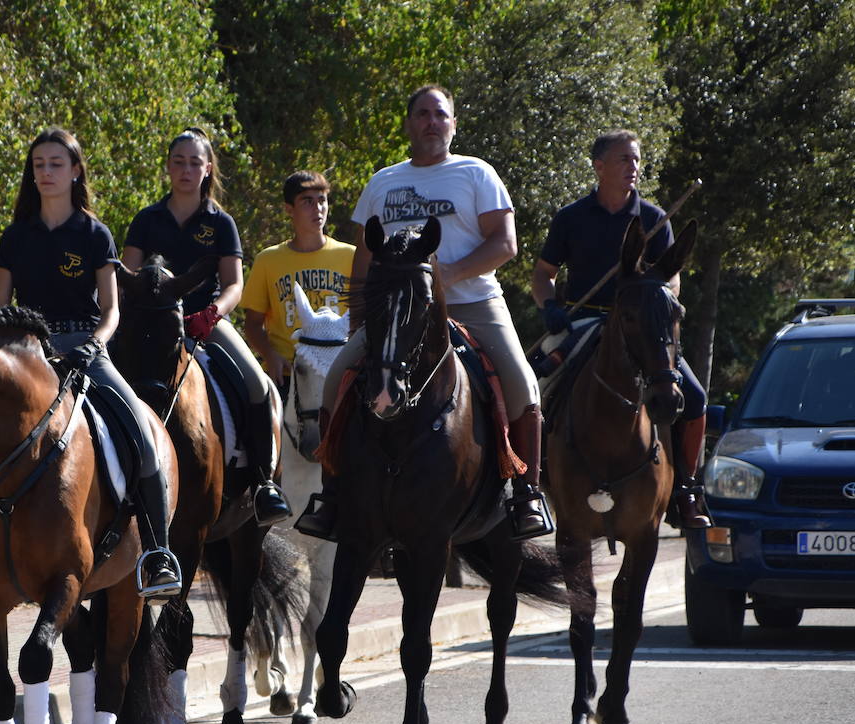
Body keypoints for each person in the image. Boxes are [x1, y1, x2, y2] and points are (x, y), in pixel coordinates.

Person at [295, 85, 553, 540]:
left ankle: (527, 495)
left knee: (523, 383)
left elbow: (505, 243)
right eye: (423, 114)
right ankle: (331, 495)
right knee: (337, 378)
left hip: (473, 303)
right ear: (410, 123)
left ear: (453, 124)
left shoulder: (477, 173)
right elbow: (364, 257)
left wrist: (445, 277)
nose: (432, 122)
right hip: (396, 312)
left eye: (441, 114)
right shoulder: (383, 182)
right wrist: (359, 322)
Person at [0, 127, 182, 597]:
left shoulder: (95, 233)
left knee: (140, 429)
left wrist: (95, 342)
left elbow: (113, 309)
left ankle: (157, 553)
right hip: (27, 351)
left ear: (75, 171)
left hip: (85, 346)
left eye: (56, 164)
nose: (46, 172)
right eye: (39, 165)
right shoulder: (16, 236)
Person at [530, 129, 710, 528]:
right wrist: (550, 306)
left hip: (641, 327)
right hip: (585, 320)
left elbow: (672, 277)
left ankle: (686, 489)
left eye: (636, 160)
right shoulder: (571, 218)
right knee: (532, 387)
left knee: (694, 399)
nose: (634, 167)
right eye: (624, 159)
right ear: (599, 167)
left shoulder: (653, 218)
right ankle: (529, 486)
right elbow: (543, 275)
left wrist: (658, 296)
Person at [122, 127, 292, 524]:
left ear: (207, 168)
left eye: (194, 163)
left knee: (255, 383)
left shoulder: (221, 222)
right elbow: (128, 274)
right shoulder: (147, 219)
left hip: (205, 322)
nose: (186, 169)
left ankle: (262, 482)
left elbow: (235, 284)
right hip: (152, 325)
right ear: (167, 167)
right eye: (178, 162)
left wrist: (212, 313)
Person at [241, 170, 355, 388]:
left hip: (338, 371)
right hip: (287, 373)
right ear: (289, 209)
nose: (318, 209)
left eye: (322, 200)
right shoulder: (268, 260)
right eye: (307, 202)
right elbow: (253, 325)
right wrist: (270, 355)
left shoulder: (350, 256)